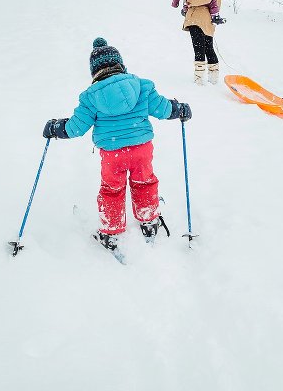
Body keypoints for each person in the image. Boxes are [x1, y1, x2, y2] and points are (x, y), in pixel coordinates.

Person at [42, 38, 192, 259]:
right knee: (145, 182)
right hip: (141, 149)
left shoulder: (91, 97)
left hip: (113, 155)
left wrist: (57, 128)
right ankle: (149, 221)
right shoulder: (141, 86)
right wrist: (178, 109)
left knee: (112, 190)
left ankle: (111, 233)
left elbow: (76, 128)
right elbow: (163, 108)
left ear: (95, 71)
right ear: (120, 64)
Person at [182, 0, 225, 86]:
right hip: (208, 18)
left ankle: (198, 80)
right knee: (208, 47)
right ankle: (213, 79)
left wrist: (189, 2)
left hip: (199, 17)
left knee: (199, 48)